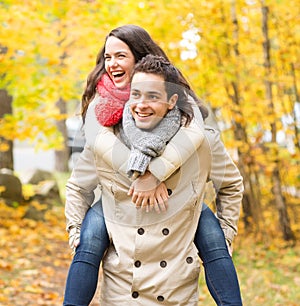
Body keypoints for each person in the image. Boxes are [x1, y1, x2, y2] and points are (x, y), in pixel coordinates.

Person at [64, 25, 243, 305]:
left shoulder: (176, 100)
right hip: (118, 199)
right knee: (89, 239)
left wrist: (156, 172)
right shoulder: (104, 105)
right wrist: (140, 176)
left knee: (213, 239)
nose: (111, 64)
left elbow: (195, 135)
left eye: (120, 56)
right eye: (107, 57)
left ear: (141, 59)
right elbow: (91, 159)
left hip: (179, 201)